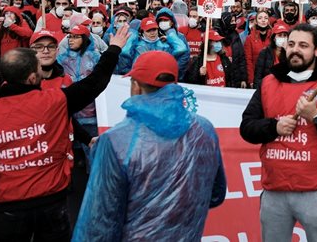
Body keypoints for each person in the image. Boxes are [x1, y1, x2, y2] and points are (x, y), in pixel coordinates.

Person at [0, 25, 129, 241]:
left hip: (6, 206)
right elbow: (95, 83)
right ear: (34, 78)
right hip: (52, 202)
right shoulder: (55, 101)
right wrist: (114, 49)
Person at [73, 51, 227, 241]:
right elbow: (215, 194)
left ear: (135, 87)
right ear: (175, 85)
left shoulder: (116, 141)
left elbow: (98, 224)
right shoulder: (205, 129)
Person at [240, 23, 317, 241]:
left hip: (316, 190)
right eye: (291, 44)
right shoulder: (268, 82)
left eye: (303, 45)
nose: (295, 50)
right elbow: (247, 128)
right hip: (274, 190)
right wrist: (274, 127)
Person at [214, 12, 248, 88]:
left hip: (235, 76)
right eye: (232, 21)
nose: (234, 23)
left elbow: (241, 58)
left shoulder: (236, 35)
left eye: (235, 21)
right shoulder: (216, 36)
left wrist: (243, 79)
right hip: (220, 77)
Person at [253, 21, 290, 89]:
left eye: (284, 35)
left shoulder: (289, 54)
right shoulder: (264, 52)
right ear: (274, 38)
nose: (282, 38)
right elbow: (258, 75)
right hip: (268, 87)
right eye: (279, 35)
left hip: (284, 88)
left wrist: (288, 51)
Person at [156, 7, 191, 78]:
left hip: (175, 75)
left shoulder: (180, 37)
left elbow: (185, 56)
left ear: (172, 22)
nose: (163, 22)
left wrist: (173, 71)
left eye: (165, 20)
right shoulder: (154, 36)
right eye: (161, 20)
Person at [245, 10, 272, 86]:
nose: (263, 20)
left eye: (266, 18)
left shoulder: (273, 37)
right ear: (256, 21)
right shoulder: (250, 38)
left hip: (270, 76)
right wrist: (251, 79)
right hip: (257, 76)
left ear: (268, 21)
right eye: (260, 18)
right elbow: (248, 60)